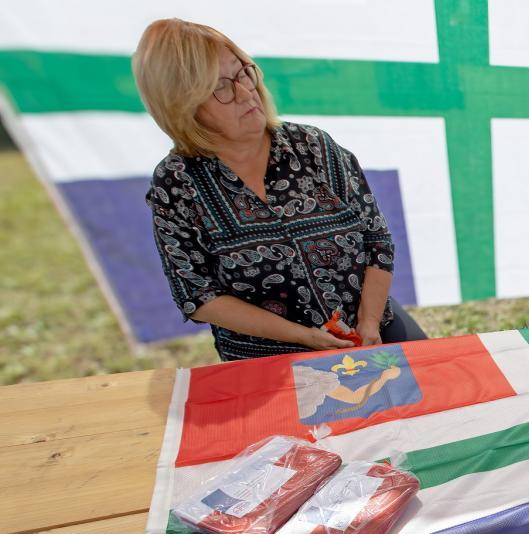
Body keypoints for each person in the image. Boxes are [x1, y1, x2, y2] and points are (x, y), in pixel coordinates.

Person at [132, 19, 427, 361]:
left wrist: (370, 323)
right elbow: (197, 295)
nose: (246, 92)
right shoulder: (177, 183)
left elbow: (376, 240)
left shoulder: (313, 146)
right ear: (182, 105)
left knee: (442, 382)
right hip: (268, 355)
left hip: (368, 327)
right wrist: (303, 337)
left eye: (243, 73)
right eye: (220, 87)